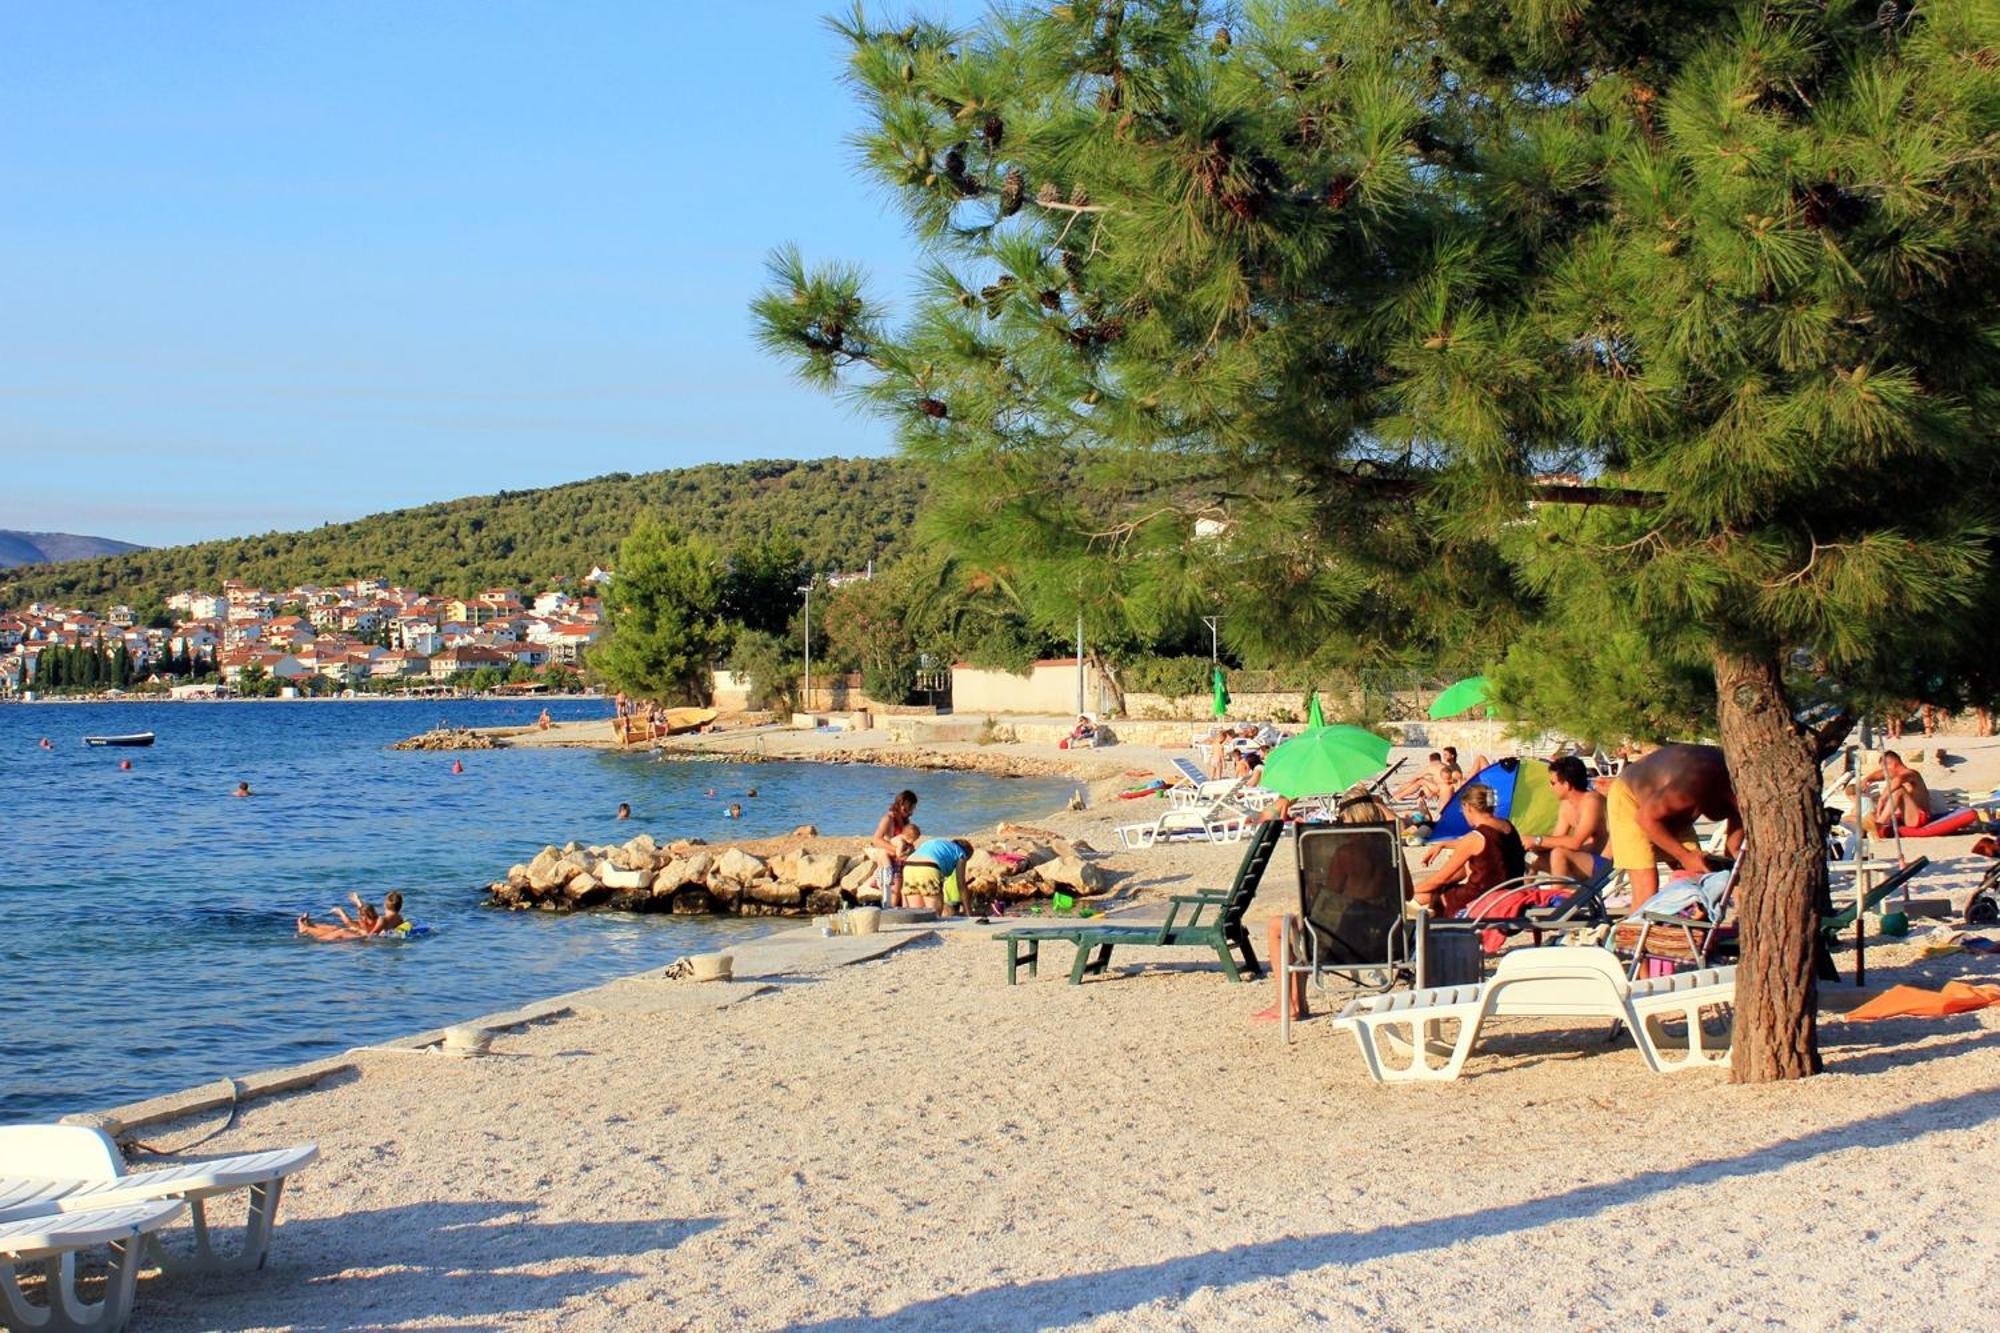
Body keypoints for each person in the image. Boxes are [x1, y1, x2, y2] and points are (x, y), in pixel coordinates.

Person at [1605, 743, 1741, 907]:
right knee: (1647, 889)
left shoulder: (1740, 796)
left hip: (1671, 811)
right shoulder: (1693, 785)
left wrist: (1730, 874)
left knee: (1703, 885)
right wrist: (1685, 856)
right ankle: (1636, 929)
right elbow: (1645, 819)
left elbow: (1733, 852)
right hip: (1632, 800)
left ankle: (1688, 931)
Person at [1413, 783, 1524, 916]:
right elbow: (1490, 846)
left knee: (1426, 896)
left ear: (1469, 807)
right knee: (1437, 891)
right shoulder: (1507, 826)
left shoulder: (1475, 838)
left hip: (1484, 900)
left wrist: (1408, 892)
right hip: (1512, 893)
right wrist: (1442, 844)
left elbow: (1440, 879)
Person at [1527, 755, 1609, 880]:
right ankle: (1526, 895)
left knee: (1559, 854)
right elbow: (1556, 839)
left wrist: (1536, 840)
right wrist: (1527, 844)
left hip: (1604, 864)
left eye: (1553, 783)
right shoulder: (1566, 805)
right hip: (1582, 860)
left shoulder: (1592, 801)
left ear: (1566, 784)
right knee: (1532, 857)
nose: (1550, 787)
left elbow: (1576, 842)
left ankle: (1559, 897)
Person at [1866, 749, 1933, 836]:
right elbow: (1881, 775)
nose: (1885, 773)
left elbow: (1898, 780)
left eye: (1885, 769)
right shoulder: (1895, 780)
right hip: (1905, 818)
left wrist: (1882, 799)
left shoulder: (1911, 774)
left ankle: (1879, 824)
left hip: (1919, 818)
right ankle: (1872, 825)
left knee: (1898, 791)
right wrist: (1866, 779)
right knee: (1869, 815)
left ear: (1893, 764)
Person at [869, 790, 919, 907]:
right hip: (892, 859)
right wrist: (896, 851)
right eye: (910, 808)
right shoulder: (888, 819)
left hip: (901, 859)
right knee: (894, 892)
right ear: (902, 806)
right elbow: (876, 840)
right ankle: (890, 913)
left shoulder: (905, 821)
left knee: (903, 891)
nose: (912, 811)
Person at [903, 836, 975, 915]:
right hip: (928, 867)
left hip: (908, 866)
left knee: (917, 913)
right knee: (934, 913)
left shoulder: (942, 845)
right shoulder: (961, 853)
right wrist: (968, 911)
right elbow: (961, 884)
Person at [297, 901, 378, 942]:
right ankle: (311, 925)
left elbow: (348, 922)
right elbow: (363, 910)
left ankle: (306, 929)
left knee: (342, 931)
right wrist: (357, 901)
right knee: (335, 928)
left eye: (361, 915)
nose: (359, 916)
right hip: (360, 934)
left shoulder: (372, 921)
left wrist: (340, 911)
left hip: (361, 937)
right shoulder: (371, 919)